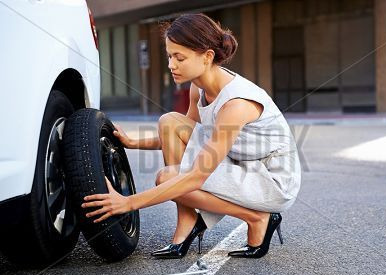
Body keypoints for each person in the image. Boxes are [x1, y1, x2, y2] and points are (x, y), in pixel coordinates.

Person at [82, 13, 302, 259]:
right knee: (170, 122)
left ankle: (257, 217)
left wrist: (128, 203)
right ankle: (186, 223)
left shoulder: (236, 104)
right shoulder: (199, 86)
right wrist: (134, 143)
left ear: (207, 57)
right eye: (169, 56)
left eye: (179, 57)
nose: (171, 65)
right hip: (243, 163)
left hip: (270, 180)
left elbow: (197, 176)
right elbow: (189, 137)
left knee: (168, 176)